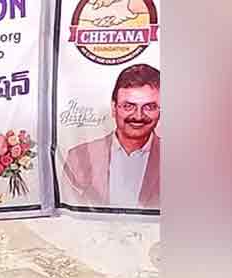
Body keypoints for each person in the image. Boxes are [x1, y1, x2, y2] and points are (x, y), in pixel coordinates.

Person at [63, 63, 161, 209]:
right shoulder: (78, 157)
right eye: (128, 106)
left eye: (149, 107)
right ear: (114, 108)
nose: (138, 116)